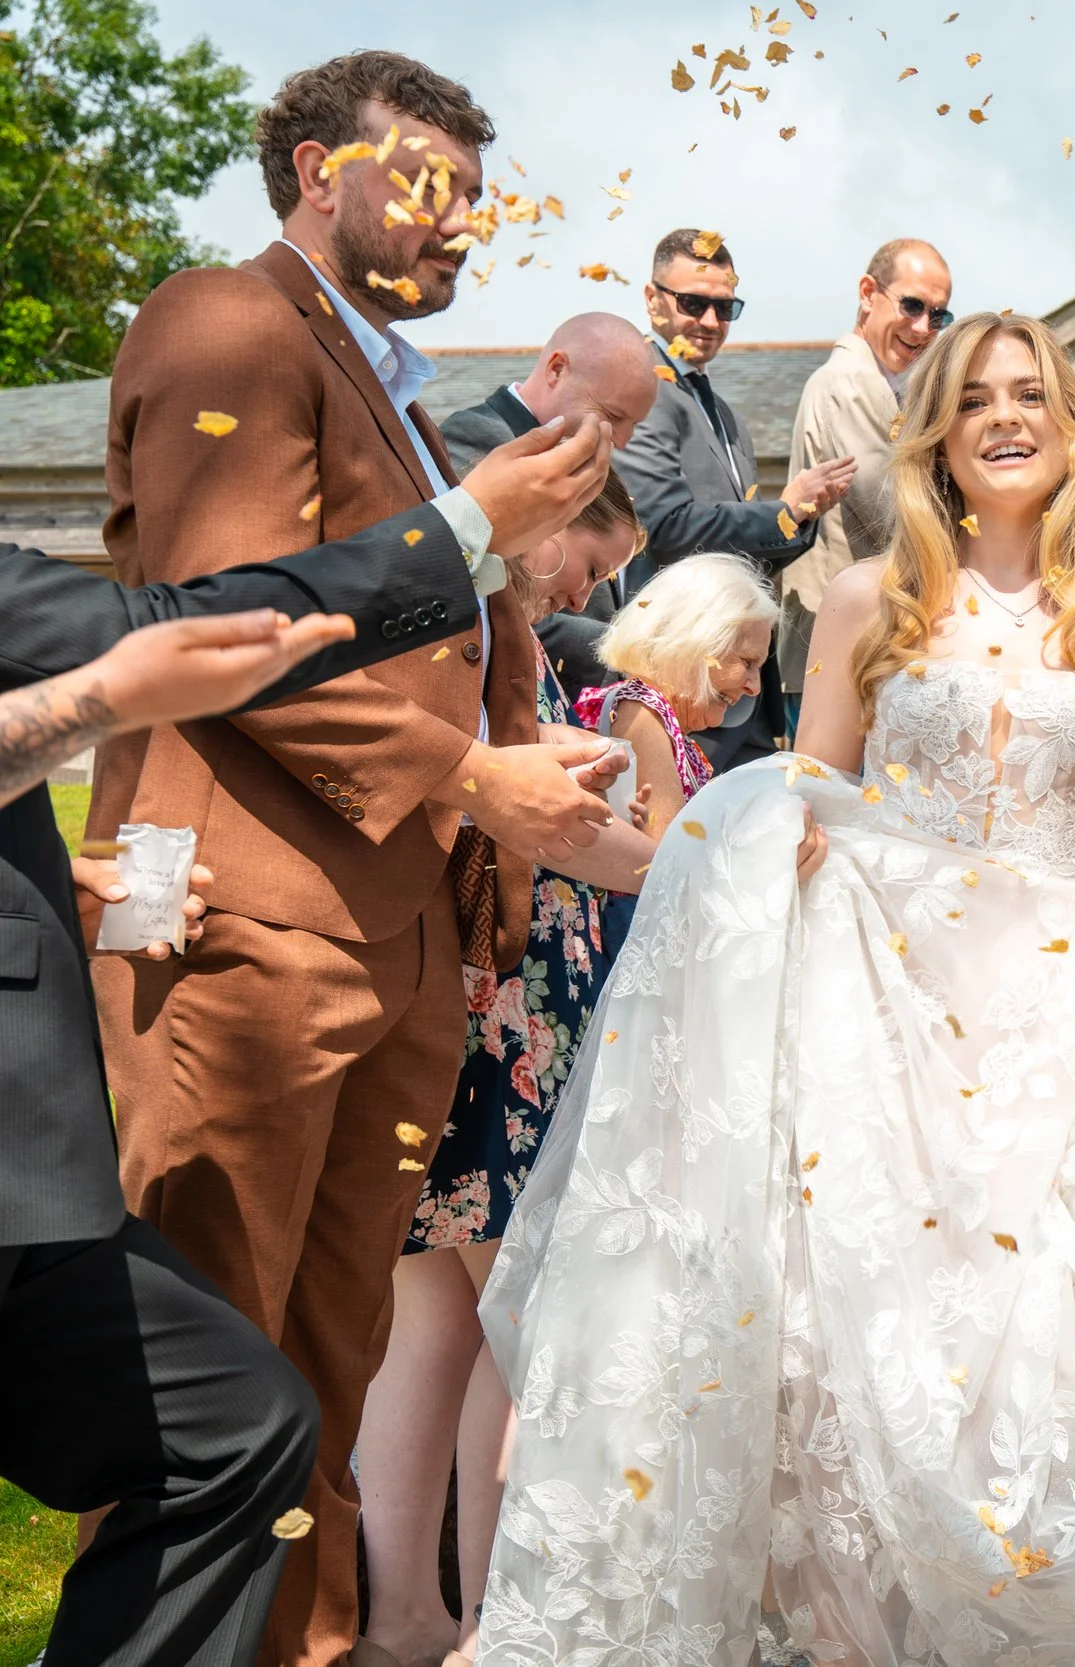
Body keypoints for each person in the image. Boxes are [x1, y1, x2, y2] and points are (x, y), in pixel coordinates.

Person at [475, 312, 1075, 1664]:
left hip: (1058, 1011)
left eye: (1030, 396)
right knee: (861, 1348)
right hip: (886, 1002)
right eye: (975, 398)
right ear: (934, 430)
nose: (1005, 418)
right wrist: (724, 877)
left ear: (1070, 427)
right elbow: (810, 789)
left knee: (1050, 1350)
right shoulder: (871, 597)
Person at [84, 53, 629, 1667]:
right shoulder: (224, 320)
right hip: (241, 928)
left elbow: (425, 623)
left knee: (325, 1366)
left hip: (390, 946)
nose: (461, 218)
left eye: (476, 188)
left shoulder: (395, 382)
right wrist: (474, 774)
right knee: (209, 1393)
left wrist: (491, 855)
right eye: (427, 180)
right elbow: (226, 618)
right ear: (320, 170)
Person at [0, 463, 592, 1667]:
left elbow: (154, 626)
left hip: (25, 1154)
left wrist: (64, 881)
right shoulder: (218, 326)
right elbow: (132, 651)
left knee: (237, 1422)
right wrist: (101, 699)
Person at [356, 474, 655, 1667]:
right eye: (589, 556)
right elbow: (539, 818)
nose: (590, 588)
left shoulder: (495, 623)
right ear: (550, 509)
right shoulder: (460, 612)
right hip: (497, 998)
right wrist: (709, 854)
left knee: (436, 1322)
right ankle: (496, 1617)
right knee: (525, 1315)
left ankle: (411, 1618)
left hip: (464, 986)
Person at [617, 228, 856, 771]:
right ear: (652, 300)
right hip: (684, 680)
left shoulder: (724, 413)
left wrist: (799, 519)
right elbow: (665, 526)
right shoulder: (644, 392)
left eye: (725, 308)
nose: (709, 322)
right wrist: (784, 511)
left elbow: (744, 558)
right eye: (693, 303)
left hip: (740, 693)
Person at [438, 312, 659, 703]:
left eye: (634, 425)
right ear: (557, 369)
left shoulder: (580, 463)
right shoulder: (478, 442)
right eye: (612, 416)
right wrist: (634, 651)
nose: (621, 441)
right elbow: (496, 604)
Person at [783, 236, 955, 706]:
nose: (923, 327)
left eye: (938, 315)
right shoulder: (852, 383)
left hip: (852, 643)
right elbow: (897, 514)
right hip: (842, 648)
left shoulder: (884, 384)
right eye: (913, 305)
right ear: (867, 293)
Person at [580, 552, 779, 839]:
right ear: (694, 644)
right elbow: (667, 863)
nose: (754, 687)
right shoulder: (641, 712)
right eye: (747, 662)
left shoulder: (658, 715)